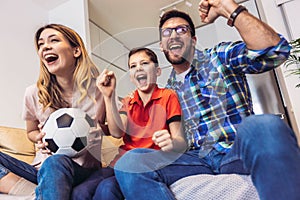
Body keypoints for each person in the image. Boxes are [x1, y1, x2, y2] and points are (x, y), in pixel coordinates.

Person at [114, 0, 300, 200]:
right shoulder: (166, 92)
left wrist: (229, 8)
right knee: (130, 162)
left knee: (264, 125)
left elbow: (275, 51)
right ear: (162, 46)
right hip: (194, 160)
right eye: (167, 33)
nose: (174, 35)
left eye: (181, 30)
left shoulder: (218, 57)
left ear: (193, 40)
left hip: (233, 151)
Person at [0, 23, 109, 199]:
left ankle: (44, 192)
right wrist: (39, 137)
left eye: (54, 40)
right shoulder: (34, 93)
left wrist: (99, 132)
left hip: (83, 170)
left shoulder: (99, 90)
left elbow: (114, 129)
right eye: (41, 44)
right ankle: (33, 190)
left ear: (76, 51)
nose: (45, 47)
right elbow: (31, 131)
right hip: (43, 170)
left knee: (57, 161)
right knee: (52, 163)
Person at [90, 47, 187, 199]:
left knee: (124, 168)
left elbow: (180, 141)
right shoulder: (128, 102)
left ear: (157, 71)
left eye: (144, 63)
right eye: (133, 66)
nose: (138, 68)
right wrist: (109, 97)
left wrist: (172, 143)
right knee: (104, 189)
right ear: (131, 76)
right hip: (122, 163)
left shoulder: (168, 96)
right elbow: (116, 132)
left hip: (152, 160)